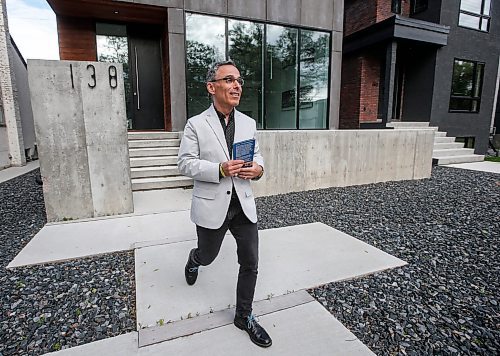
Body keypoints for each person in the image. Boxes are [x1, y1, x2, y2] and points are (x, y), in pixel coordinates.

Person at [177, 60, 271, 348]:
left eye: (239, 80)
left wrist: (258, 169)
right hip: (212, 205)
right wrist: (218, 169)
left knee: (251, 263)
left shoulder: (248, 123)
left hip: (242, 205)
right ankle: (194, 260)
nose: (237, 85)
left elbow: (258, 156)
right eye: (229, 80)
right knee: (208, 256)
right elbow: (185, 163)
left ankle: (244, 316)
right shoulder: (195, 124)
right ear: (211, 87)